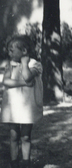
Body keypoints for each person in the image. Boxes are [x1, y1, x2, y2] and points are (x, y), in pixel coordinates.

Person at [1, 35, 43, 168]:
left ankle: (26, 162)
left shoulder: (35, 64)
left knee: (25, 136)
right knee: (13, 136)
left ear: (24, 51)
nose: (9, 53)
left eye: (12, 50)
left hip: (27, 108)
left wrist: (24, 63)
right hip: (13, 108)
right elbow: (5, 81)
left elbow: (28, 77)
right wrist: (23, 84)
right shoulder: (10, 65)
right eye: (9, 50)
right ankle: (14, 163)